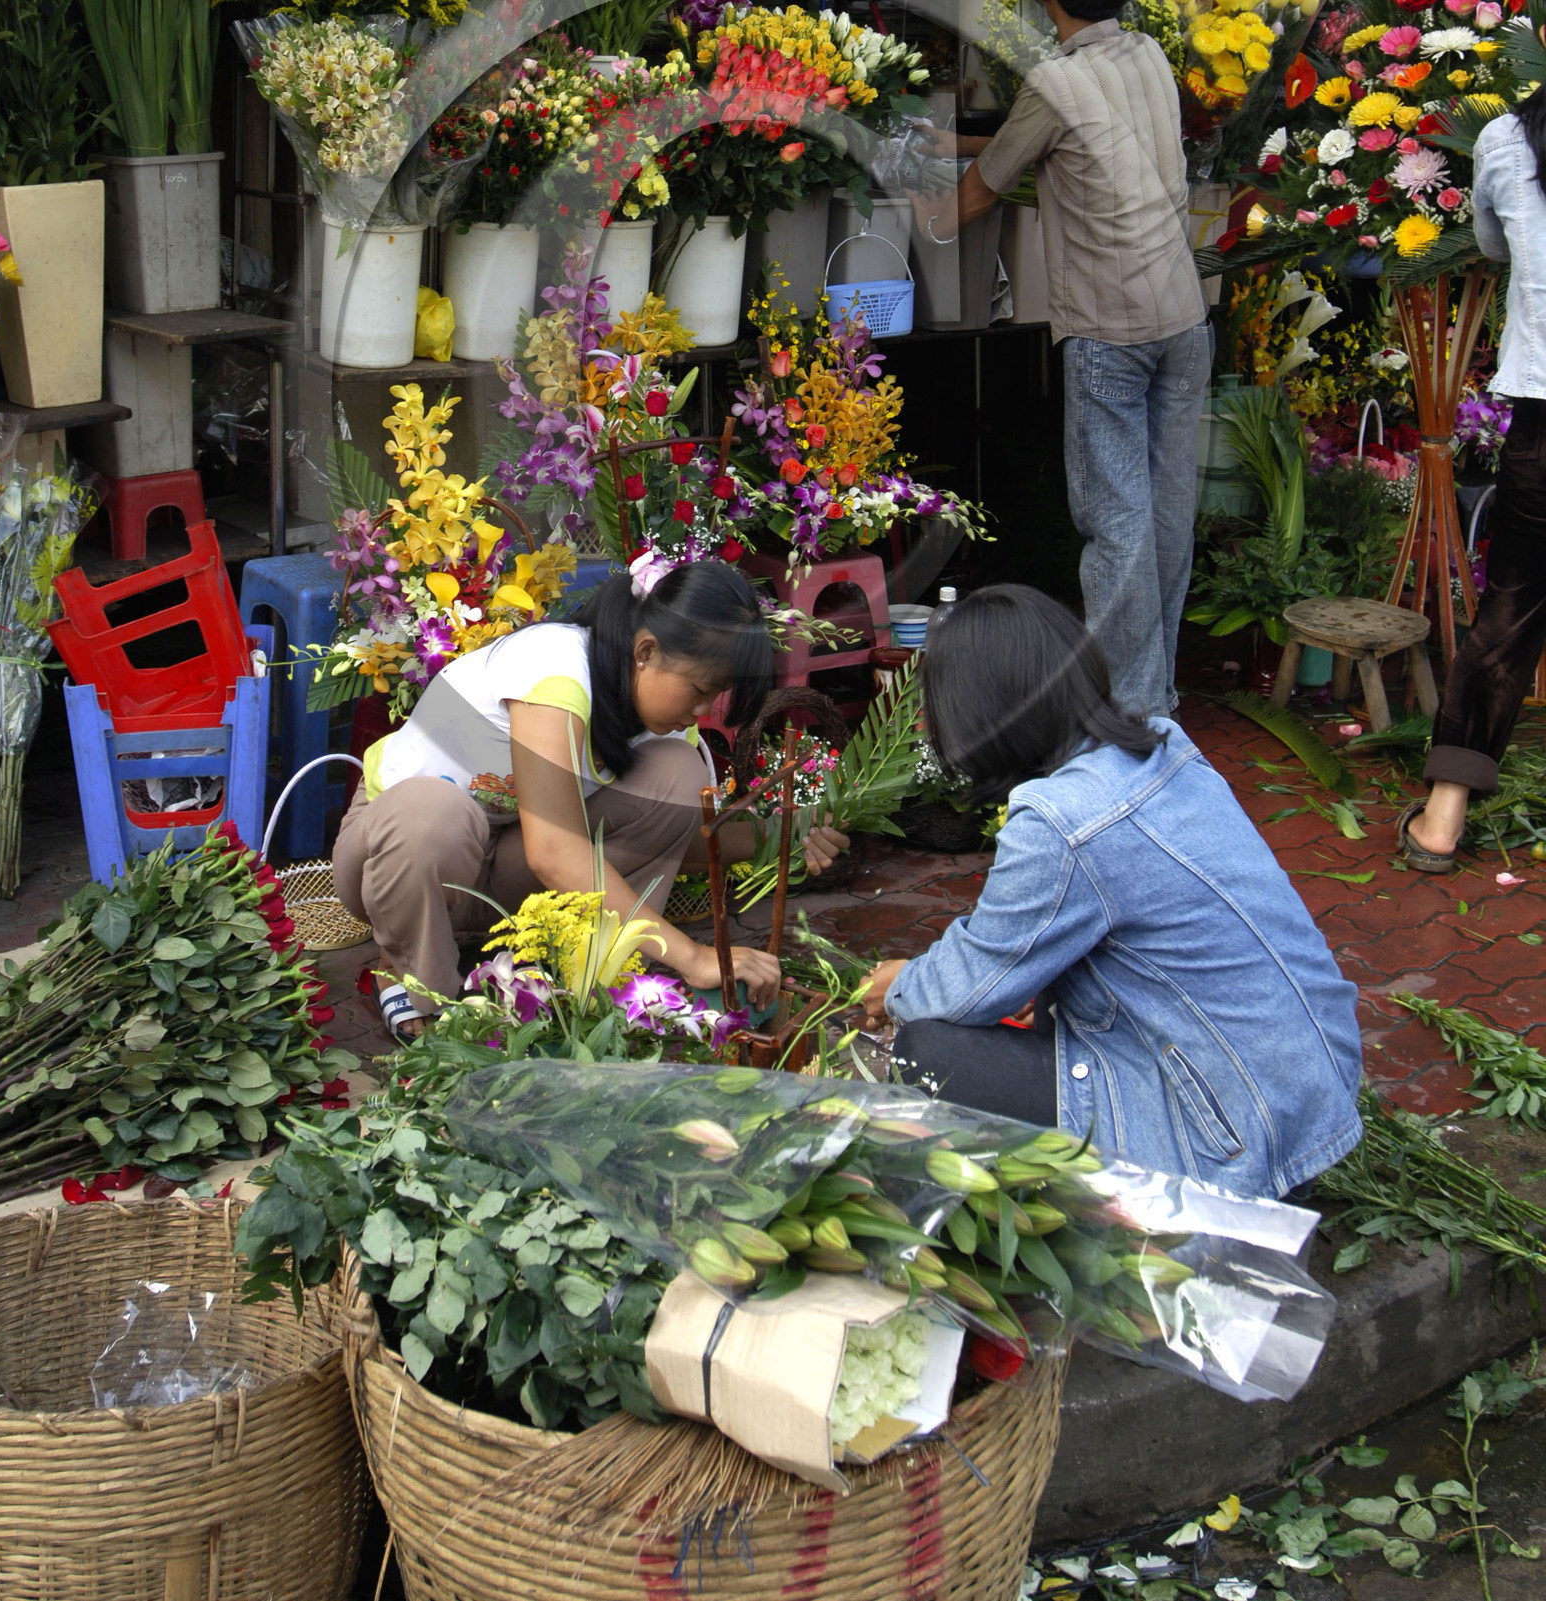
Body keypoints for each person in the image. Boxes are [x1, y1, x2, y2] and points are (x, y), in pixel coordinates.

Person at [859, 585, 1362, 1198]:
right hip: (1313, 1091)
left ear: (979, 716)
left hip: (1234, 1140)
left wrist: (898, 986)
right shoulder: (1161, 744)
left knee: (929, 1047)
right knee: (1043, 995)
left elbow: (969, 986)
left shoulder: (1060, 820)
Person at [334, 555, 844, 1038]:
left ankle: (592, 968)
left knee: (678, 773)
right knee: (434, 814)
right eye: (700, 689)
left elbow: (674, 839)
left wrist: (785, 834)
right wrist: (691, 956)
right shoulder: (555, 667)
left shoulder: (661, 723)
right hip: (396, 860)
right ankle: (421, 986)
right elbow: (554, 852)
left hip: (496, 870)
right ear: (645, 652)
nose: (703, 710)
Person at [916, 0, 1211, 719]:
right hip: (1184, 320)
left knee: (1116, 525)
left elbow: (986, 186)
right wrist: (948, 146)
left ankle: (1134, 711)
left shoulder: (1053, 82)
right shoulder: (1150, 55)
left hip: (1110, 333)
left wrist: (925, 215)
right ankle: (1161, 691)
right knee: (1164, 515)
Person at [1400, 78, 1546, 871]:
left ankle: (1443, 819)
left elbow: (1493, 248)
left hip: (1545, 421)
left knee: (1511, 610)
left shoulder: (1507, 143)